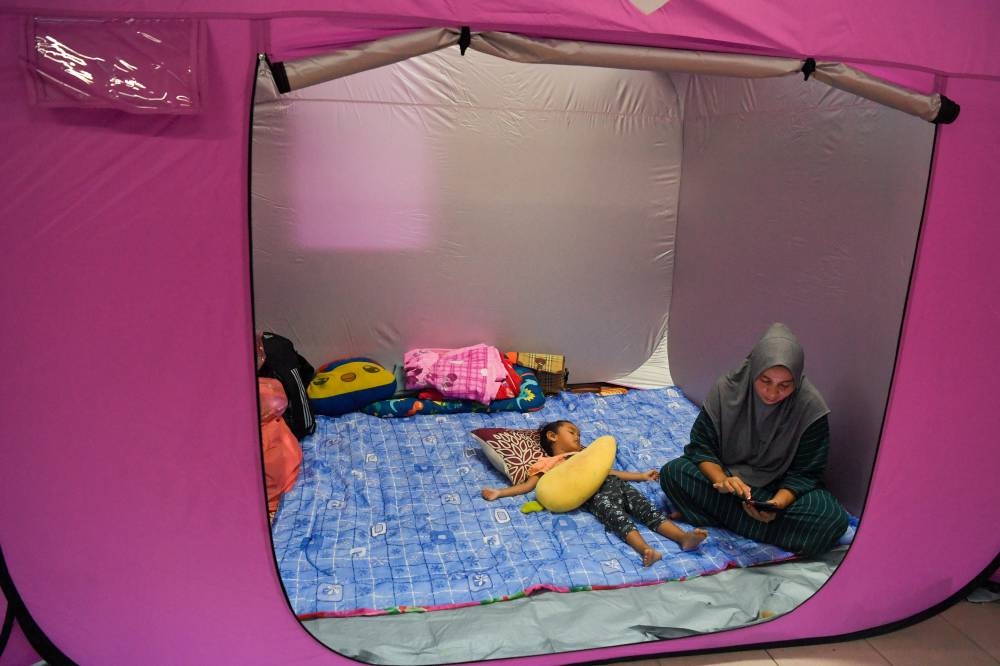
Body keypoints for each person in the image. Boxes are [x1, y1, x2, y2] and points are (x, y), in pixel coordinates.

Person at [659, 323, 849, 557]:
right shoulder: (727, 390)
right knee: (673, 473)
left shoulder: (810, 407)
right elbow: (701, 446)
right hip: (731, 485)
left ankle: (721, 519)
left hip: (778, 491)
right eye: (765, 381)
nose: (771, 393)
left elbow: (806, 473)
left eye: (784, 385)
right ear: (753, 369)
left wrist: (777, 505)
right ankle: (770, 530)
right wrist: (721, 480)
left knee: (831, 519)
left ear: (797, 381)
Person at [482, 420, 708, 566]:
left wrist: (641, 476)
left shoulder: (585, 455)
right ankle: (646, 550)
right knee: (617, 519)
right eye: (571, 432)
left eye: (579, 434)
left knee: (647, 509)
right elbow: (530, 486)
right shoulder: (546, 463)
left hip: (614, 484)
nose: (578, 437)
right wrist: (500, 492)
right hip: (593, 496)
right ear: (552, 436)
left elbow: (610, 471)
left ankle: (683, 538)